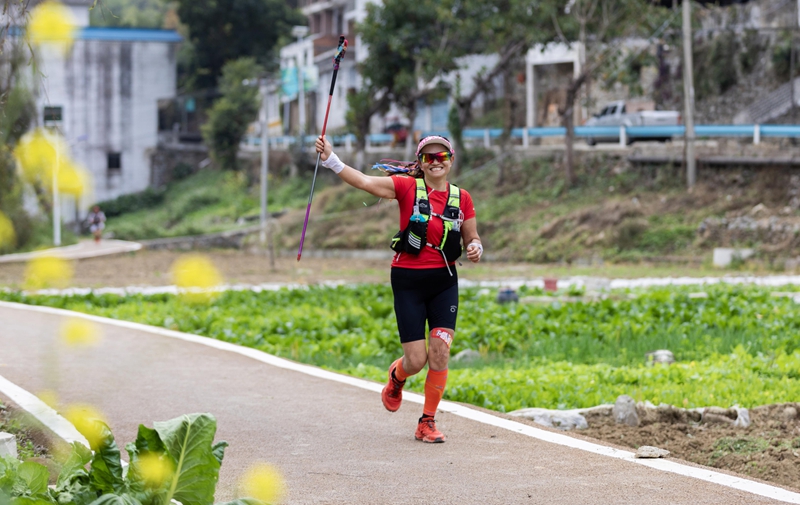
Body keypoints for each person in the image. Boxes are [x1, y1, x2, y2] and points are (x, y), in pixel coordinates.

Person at [315, 134, 483, 443]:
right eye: (429, 157)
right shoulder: (406, 187)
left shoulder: (462, 198)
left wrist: (475, 247)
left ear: (450, 161)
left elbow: (472, 236)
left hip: (444, 281)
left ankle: (427, 422)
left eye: (441, 157)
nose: (436, 162)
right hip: (408, 281)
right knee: (416, 360)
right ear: (421, 162)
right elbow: (366, 182)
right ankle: (397, 377)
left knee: (440, 353)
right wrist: (331, 159)